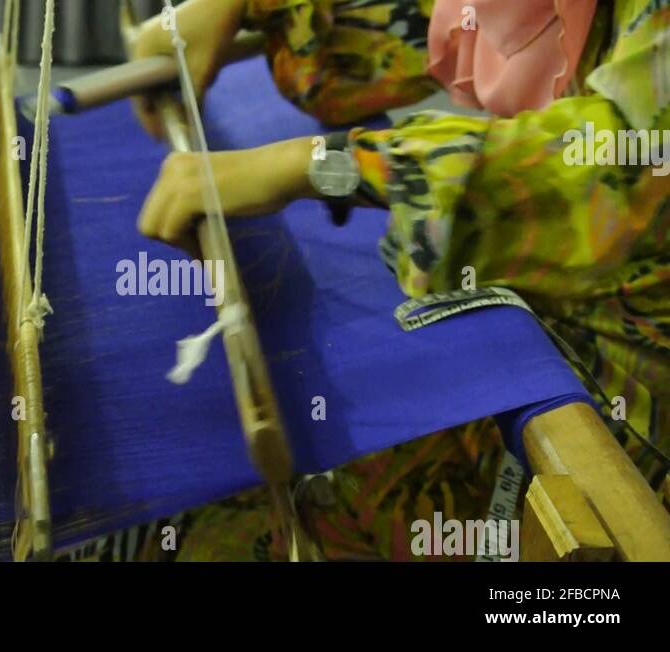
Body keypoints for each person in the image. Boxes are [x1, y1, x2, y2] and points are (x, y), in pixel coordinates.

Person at [66, 0, 670, 561]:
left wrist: (319, 166)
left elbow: (612, 169)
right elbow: (425, 22)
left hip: (629, 403)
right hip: (538, 322)